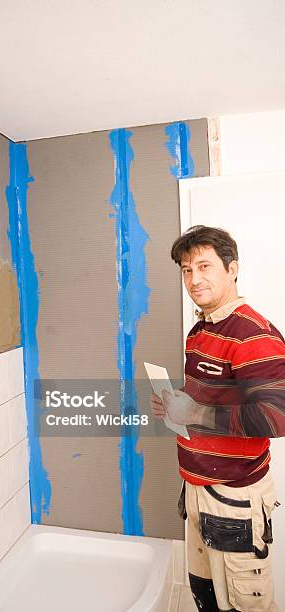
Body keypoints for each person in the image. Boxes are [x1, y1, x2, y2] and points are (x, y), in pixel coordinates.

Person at [150, 225, 284, 612]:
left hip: (234, 496)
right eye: (187, 270)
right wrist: (179, 407)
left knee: (244, 606)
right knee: (208, 597)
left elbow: (278, 416)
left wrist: (196, 411)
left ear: (232, 269)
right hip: (198, 488)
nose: (194, 279)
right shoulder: (201, 330)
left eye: (205, 266)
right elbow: (211, 399)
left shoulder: (251, 334)